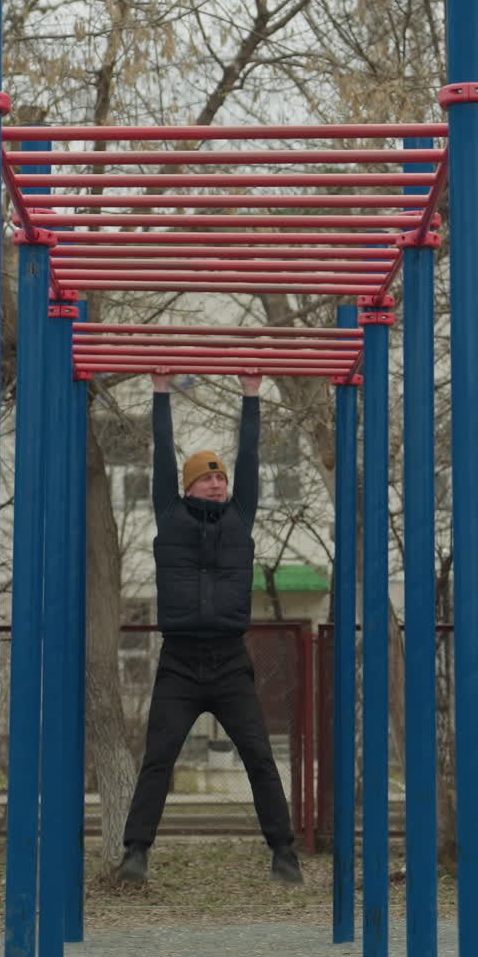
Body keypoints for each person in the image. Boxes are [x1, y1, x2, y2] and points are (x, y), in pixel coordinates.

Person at [116, 369, 303, 887]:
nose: (217, 482)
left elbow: (251, 457)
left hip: (229, 662)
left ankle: (284, 852)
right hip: (179, 662)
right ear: (189, 485)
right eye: (207, 476)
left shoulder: (241, 517)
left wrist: (251, 394)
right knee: (159, 759)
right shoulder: (169, 514)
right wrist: (160, 392)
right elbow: (161, 454)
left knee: (259, 756)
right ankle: (135, 852)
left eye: (221, 477)